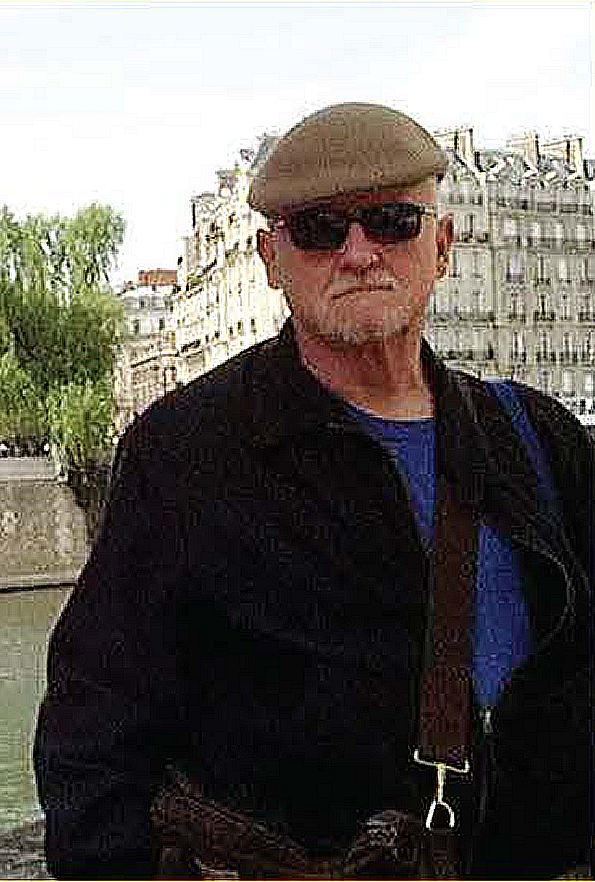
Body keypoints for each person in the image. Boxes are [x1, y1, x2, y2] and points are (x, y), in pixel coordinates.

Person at [34, 103, 592, 879]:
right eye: (319, 231)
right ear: (269, 257)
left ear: (442, 243)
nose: (359, 253)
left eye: (392, 221)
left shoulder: (533, 433)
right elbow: (93, 734)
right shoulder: (185, 453)